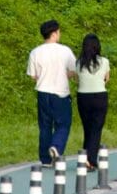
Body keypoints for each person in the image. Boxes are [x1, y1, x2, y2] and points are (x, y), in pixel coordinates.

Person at [27, 19, 76, 165]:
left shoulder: (35, 52)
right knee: (63, 123)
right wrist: (65, 75)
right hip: (60, 93)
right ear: (54, 33)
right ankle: (56, 146)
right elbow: (74, 70)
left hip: (42, 92)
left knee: (45, 126)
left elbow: (32, 76)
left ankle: (45, 159)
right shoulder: (65, 51)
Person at [75, 34, 109, 170]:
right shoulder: (104, 61)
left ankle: (85, 157)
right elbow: (107, 79)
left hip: (83, 97)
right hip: (100, 96)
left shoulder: (79, 63)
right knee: (96, 129)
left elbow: (77, 80)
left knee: (88, 128)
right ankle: (90, 160)